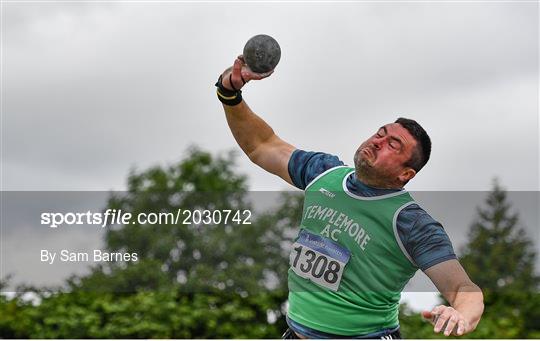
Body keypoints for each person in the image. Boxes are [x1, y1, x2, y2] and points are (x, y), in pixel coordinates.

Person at [215, 56, 484, 339]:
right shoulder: (324, 173)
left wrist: (460, 313)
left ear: (405, 174)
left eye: (393, 144)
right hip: (298, 333)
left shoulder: (410, 223)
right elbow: (262, 145)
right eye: (381, 133)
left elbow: (465, 290)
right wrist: (229, 94)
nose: (378, 141)